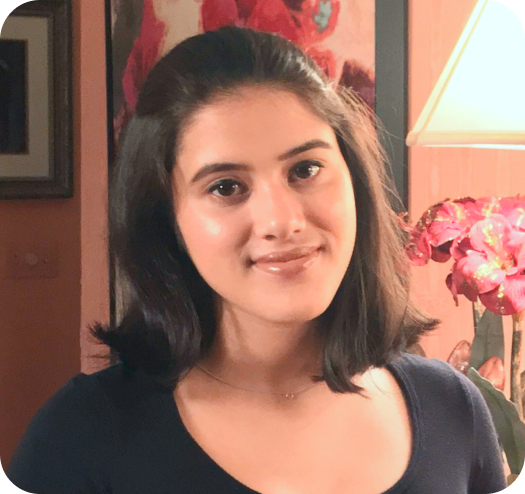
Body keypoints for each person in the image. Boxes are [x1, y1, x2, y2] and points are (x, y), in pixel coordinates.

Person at [6, 26, 507, 494]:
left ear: (353, 179)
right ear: (166, 219)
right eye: (226, 187)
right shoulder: (82, 436)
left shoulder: (453, 408)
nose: (281, 220)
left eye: (305, 169)